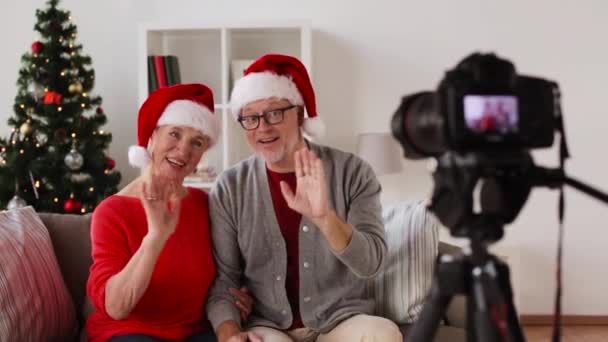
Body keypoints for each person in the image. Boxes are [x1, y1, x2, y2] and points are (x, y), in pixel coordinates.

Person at [206, 54, 403, 342]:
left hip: (341, 320)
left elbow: (371, 263)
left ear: (299, 114)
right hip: (268, 325)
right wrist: (229, 334)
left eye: (274, 113)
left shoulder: (353, 172)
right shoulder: (230, 186)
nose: (263, 127)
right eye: (250, 117)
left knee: (381, 334)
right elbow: (225, 281)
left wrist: (326, 218)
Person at [86, 84, 252, 342]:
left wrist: (240, 295)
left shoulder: (205, 204)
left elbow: (227, 273)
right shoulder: (111, 212)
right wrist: (156, 237)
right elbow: (117, 308)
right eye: (174, 134)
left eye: (197, 142)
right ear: (152, 137)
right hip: (131, 334)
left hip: (197, 333)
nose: (183, 150)